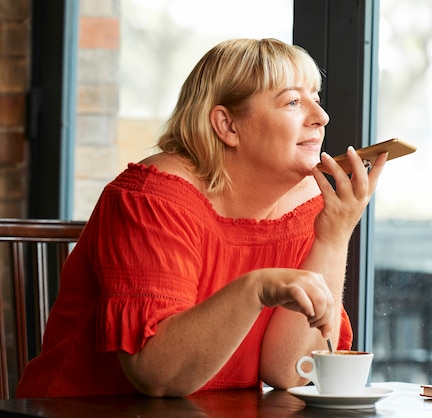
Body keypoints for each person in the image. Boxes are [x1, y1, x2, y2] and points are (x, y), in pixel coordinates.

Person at [16, 38, 387, 398]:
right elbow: (157, 376)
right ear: (227, 126)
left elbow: (287, 370)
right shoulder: (152, 198)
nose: (321, 117)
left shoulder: (310, 207)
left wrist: (334, 236)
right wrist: (255, 288)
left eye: (316, 100)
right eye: (292, 102)